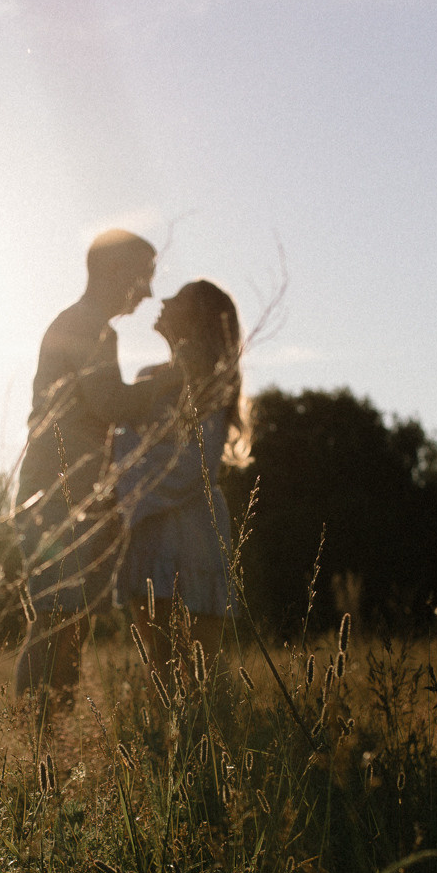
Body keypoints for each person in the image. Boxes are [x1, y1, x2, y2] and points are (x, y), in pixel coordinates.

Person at [13, 228, 162, 708]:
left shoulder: (81, 323)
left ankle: (45, 736)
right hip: (60, 494)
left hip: (67, 491)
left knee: (65, 620)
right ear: (116, 273)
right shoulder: (89, 327)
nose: (148, 291)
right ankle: (37, 737)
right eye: (144, 276)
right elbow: (110, 403)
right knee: (58, 617)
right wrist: (172, 381)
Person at [111, 279, 243, 677]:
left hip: (193, 534)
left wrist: (121, 490)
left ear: (195, 318)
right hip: (149, 532)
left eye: (178, 298)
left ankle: (209, 739)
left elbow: (190, 465)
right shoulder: (150, 376)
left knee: (202, 670)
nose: (163, 299)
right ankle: (170, 740)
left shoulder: (209, 384)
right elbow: (125, 444)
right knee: (160, 666)